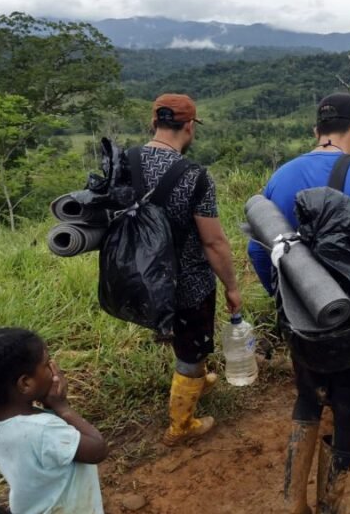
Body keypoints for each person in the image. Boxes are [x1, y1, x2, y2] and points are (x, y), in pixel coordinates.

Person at [247, 93, 350, 514]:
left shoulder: (282, 175)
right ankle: (330, 506)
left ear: (316, 131)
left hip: (302, 317)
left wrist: (288, 297)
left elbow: (259, 249)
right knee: (348, 411)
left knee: (308, 399)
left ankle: (292, 501)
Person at [142, 94, 242, 446]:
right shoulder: (194, 177)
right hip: (187, 283)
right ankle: (181, 425)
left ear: (154, 123)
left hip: (141, 279)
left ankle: (196, 374)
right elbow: (213, 243)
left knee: (188, 341)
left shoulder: (126, 162)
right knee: (190, 348)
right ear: (189, 126)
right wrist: (231, 286)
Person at [0, 328, 108, 514]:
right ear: (25, 384)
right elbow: (97, 450)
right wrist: (63, 408)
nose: (54, 367)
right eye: (46, 364)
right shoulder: (44, 431)